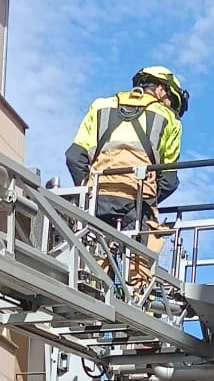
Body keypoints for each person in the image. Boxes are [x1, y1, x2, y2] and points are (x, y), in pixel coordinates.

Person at [65, 66, 188, 292]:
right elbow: (169, 180)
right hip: (137, 204)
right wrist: (149, 200)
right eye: (172, 100)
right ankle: (140, 297)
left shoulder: (101, 106)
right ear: (161, 90)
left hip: (96, 200)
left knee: (92, 274)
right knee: (138, 283)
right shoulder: (169, 119)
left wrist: (87, 189)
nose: (171, 106)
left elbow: (74, 156)